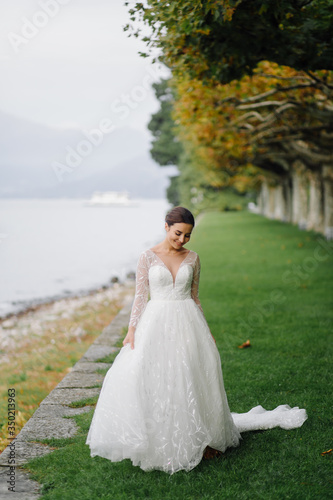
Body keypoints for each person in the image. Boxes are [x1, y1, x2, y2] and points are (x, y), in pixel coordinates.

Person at [86, 206, 307, 474]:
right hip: (155, 322)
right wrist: (132, 329)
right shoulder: (147, 257)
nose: (182, 240)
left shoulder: (193, 258)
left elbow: (195, 297)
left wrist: (206, 329)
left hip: (187, 320)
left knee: (191, 374)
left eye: (188, 236)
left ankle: (203, 438)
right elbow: (140, 297)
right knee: (156, 375)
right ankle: (158, 437)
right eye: (178, 233)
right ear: (166, 226)